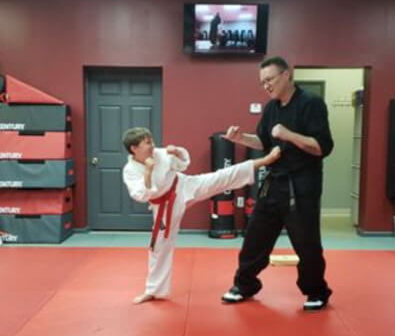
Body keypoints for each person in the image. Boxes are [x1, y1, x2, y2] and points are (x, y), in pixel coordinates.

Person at [221, 56, 334, 311]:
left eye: (270, 79)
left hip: (302, 184)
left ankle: (316, 291)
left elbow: (322, 147)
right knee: (254, 236)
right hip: (274, 182)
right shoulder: (271, 108)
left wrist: (288, 135)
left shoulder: (311, 104)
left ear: (286, 75)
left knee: (306, 242)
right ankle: (245, 285)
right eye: (263, 82)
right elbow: (263, 141)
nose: (266, 86)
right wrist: (240, 138)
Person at [122, 127, 281, 304]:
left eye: (151, 141)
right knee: (159, 247)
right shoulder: (130, 170)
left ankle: (264, 160)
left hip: (183, 186)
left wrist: (178, 153)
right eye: (147, 143)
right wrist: (148, 171)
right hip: (164, 205)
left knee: (220, 177)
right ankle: (153, 290)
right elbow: (142, 195)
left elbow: (183, 164)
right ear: (134, 148)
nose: (152, 145)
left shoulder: (159, 154)